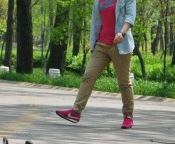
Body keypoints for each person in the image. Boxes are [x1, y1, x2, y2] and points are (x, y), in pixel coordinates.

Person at [55, 0, 137, 129]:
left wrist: (122, 32)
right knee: (88, 76)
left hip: (120, 46)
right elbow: (96, 20)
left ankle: (128, 116)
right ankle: (76, 112)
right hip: (101, 44)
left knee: (124, 82)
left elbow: (130, 17)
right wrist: (93, 41)